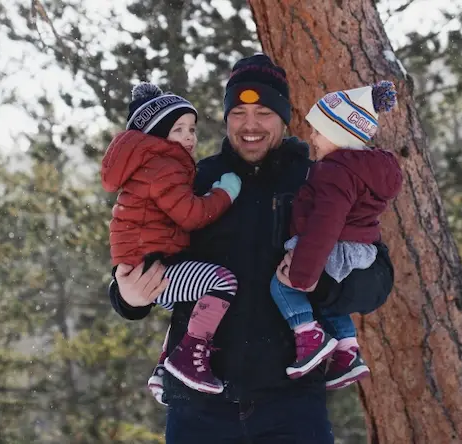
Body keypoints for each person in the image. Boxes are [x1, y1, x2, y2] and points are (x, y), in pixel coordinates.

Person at [108, 54, 395, 443]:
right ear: (226, 118)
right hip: (198, 408)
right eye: (239, 113)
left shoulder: (318, 179)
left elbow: (378, 278)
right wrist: (127, 296)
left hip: (291, 403)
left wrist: (324, 285)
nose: (250, 125)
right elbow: (139, 244)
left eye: (264, 112)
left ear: (284, 118)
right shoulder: (195, 181)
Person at [101, 82, 242, 398]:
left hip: (152, 261)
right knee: (222, 282)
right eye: (178, 130)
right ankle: (187, 358)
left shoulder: (157, 166)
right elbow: (192, 215)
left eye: (191, 129)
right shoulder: (164, 168)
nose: (190, 137)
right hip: (152, 266)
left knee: (189, 304)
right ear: (157, 136)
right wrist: (223, 194)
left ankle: (165, 368)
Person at [270, 81, 402, 388]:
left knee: (283, 285)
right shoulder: (364, 170)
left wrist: (302, 273)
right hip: (358, 250)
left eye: (318, 131)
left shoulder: (335, 172)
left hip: (332, 247)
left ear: (340, 134)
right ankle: (346, 350)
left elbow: (325, 223)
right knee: (328, 301)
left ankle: (308, 337)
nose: (312, 138)